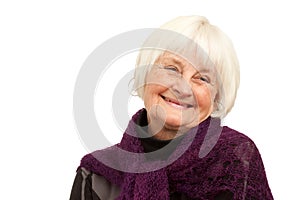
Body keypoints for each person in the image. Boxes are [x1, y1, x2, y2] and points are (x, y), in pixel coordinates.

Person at [70, 16, 273, 199]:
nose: (183, 88)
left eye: (202, 78)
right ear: (146, 74)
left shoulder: (237, 160)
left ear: (216, 97)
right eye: (171, 68)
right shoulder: (95, 175)